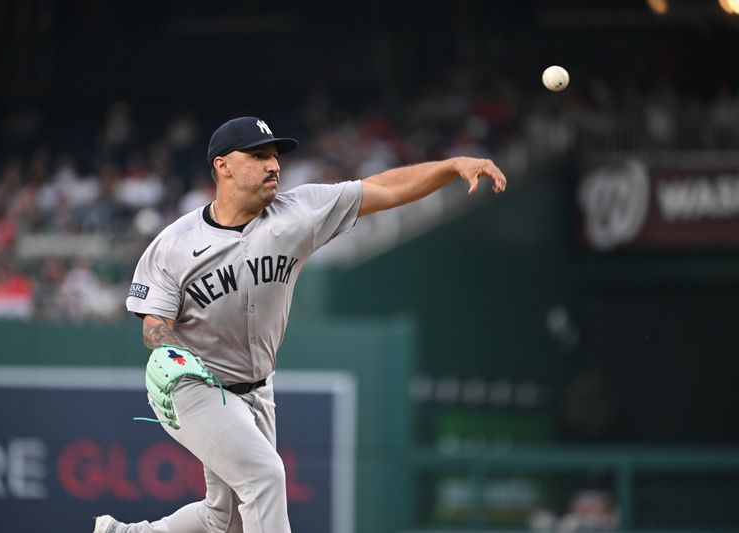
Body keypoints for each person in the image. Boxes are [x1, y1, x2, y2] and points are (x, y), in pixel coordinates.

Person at [95, 116, 507, 533]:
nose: (273, 165)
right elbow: (154, 323)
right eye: (258, 156)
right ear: (223, 166)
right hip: (193, 385)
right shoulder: (174, 243)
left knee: (226, 519)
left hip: (256, 389)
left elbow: (383, 188)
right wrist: (168, 348)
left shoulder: (299, 211)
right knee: (264, 477)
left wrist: (451, 165)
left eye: (275, 156)